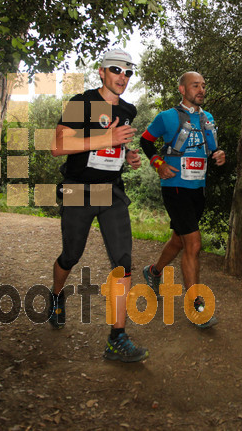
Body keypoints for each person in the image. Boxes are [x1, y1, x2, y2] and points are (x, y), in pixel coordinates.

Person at [48, 48, 148, 363]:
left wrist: (127, 155)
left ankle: (117, 339)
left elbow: (117, 144)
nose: (123, 76)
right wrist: (107, 139)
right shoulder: (83, 102)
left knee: (123, 261)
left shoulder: (129, 109)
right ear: (102, 72)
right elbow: (57, 146)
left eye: (128, 72)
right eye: (116, 70)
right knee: (71, 255)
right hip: (78, 189)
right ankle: (56, 295)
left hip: (111, 191)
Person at [139, 71, 226, 329]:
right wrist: (158, 164)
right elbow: (146, 142)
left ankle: (153, 272)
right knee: (194, 244)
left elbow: (212, 151)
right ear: (182, 89)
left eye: (203, 85)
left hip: (197, 189)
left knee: (180, 240)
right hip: (175, 187)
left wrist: (219, 155)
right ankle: (196, 306)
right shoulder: (166, 117)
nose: (201, 90)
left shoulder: (207, 118)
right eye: (195, 85)